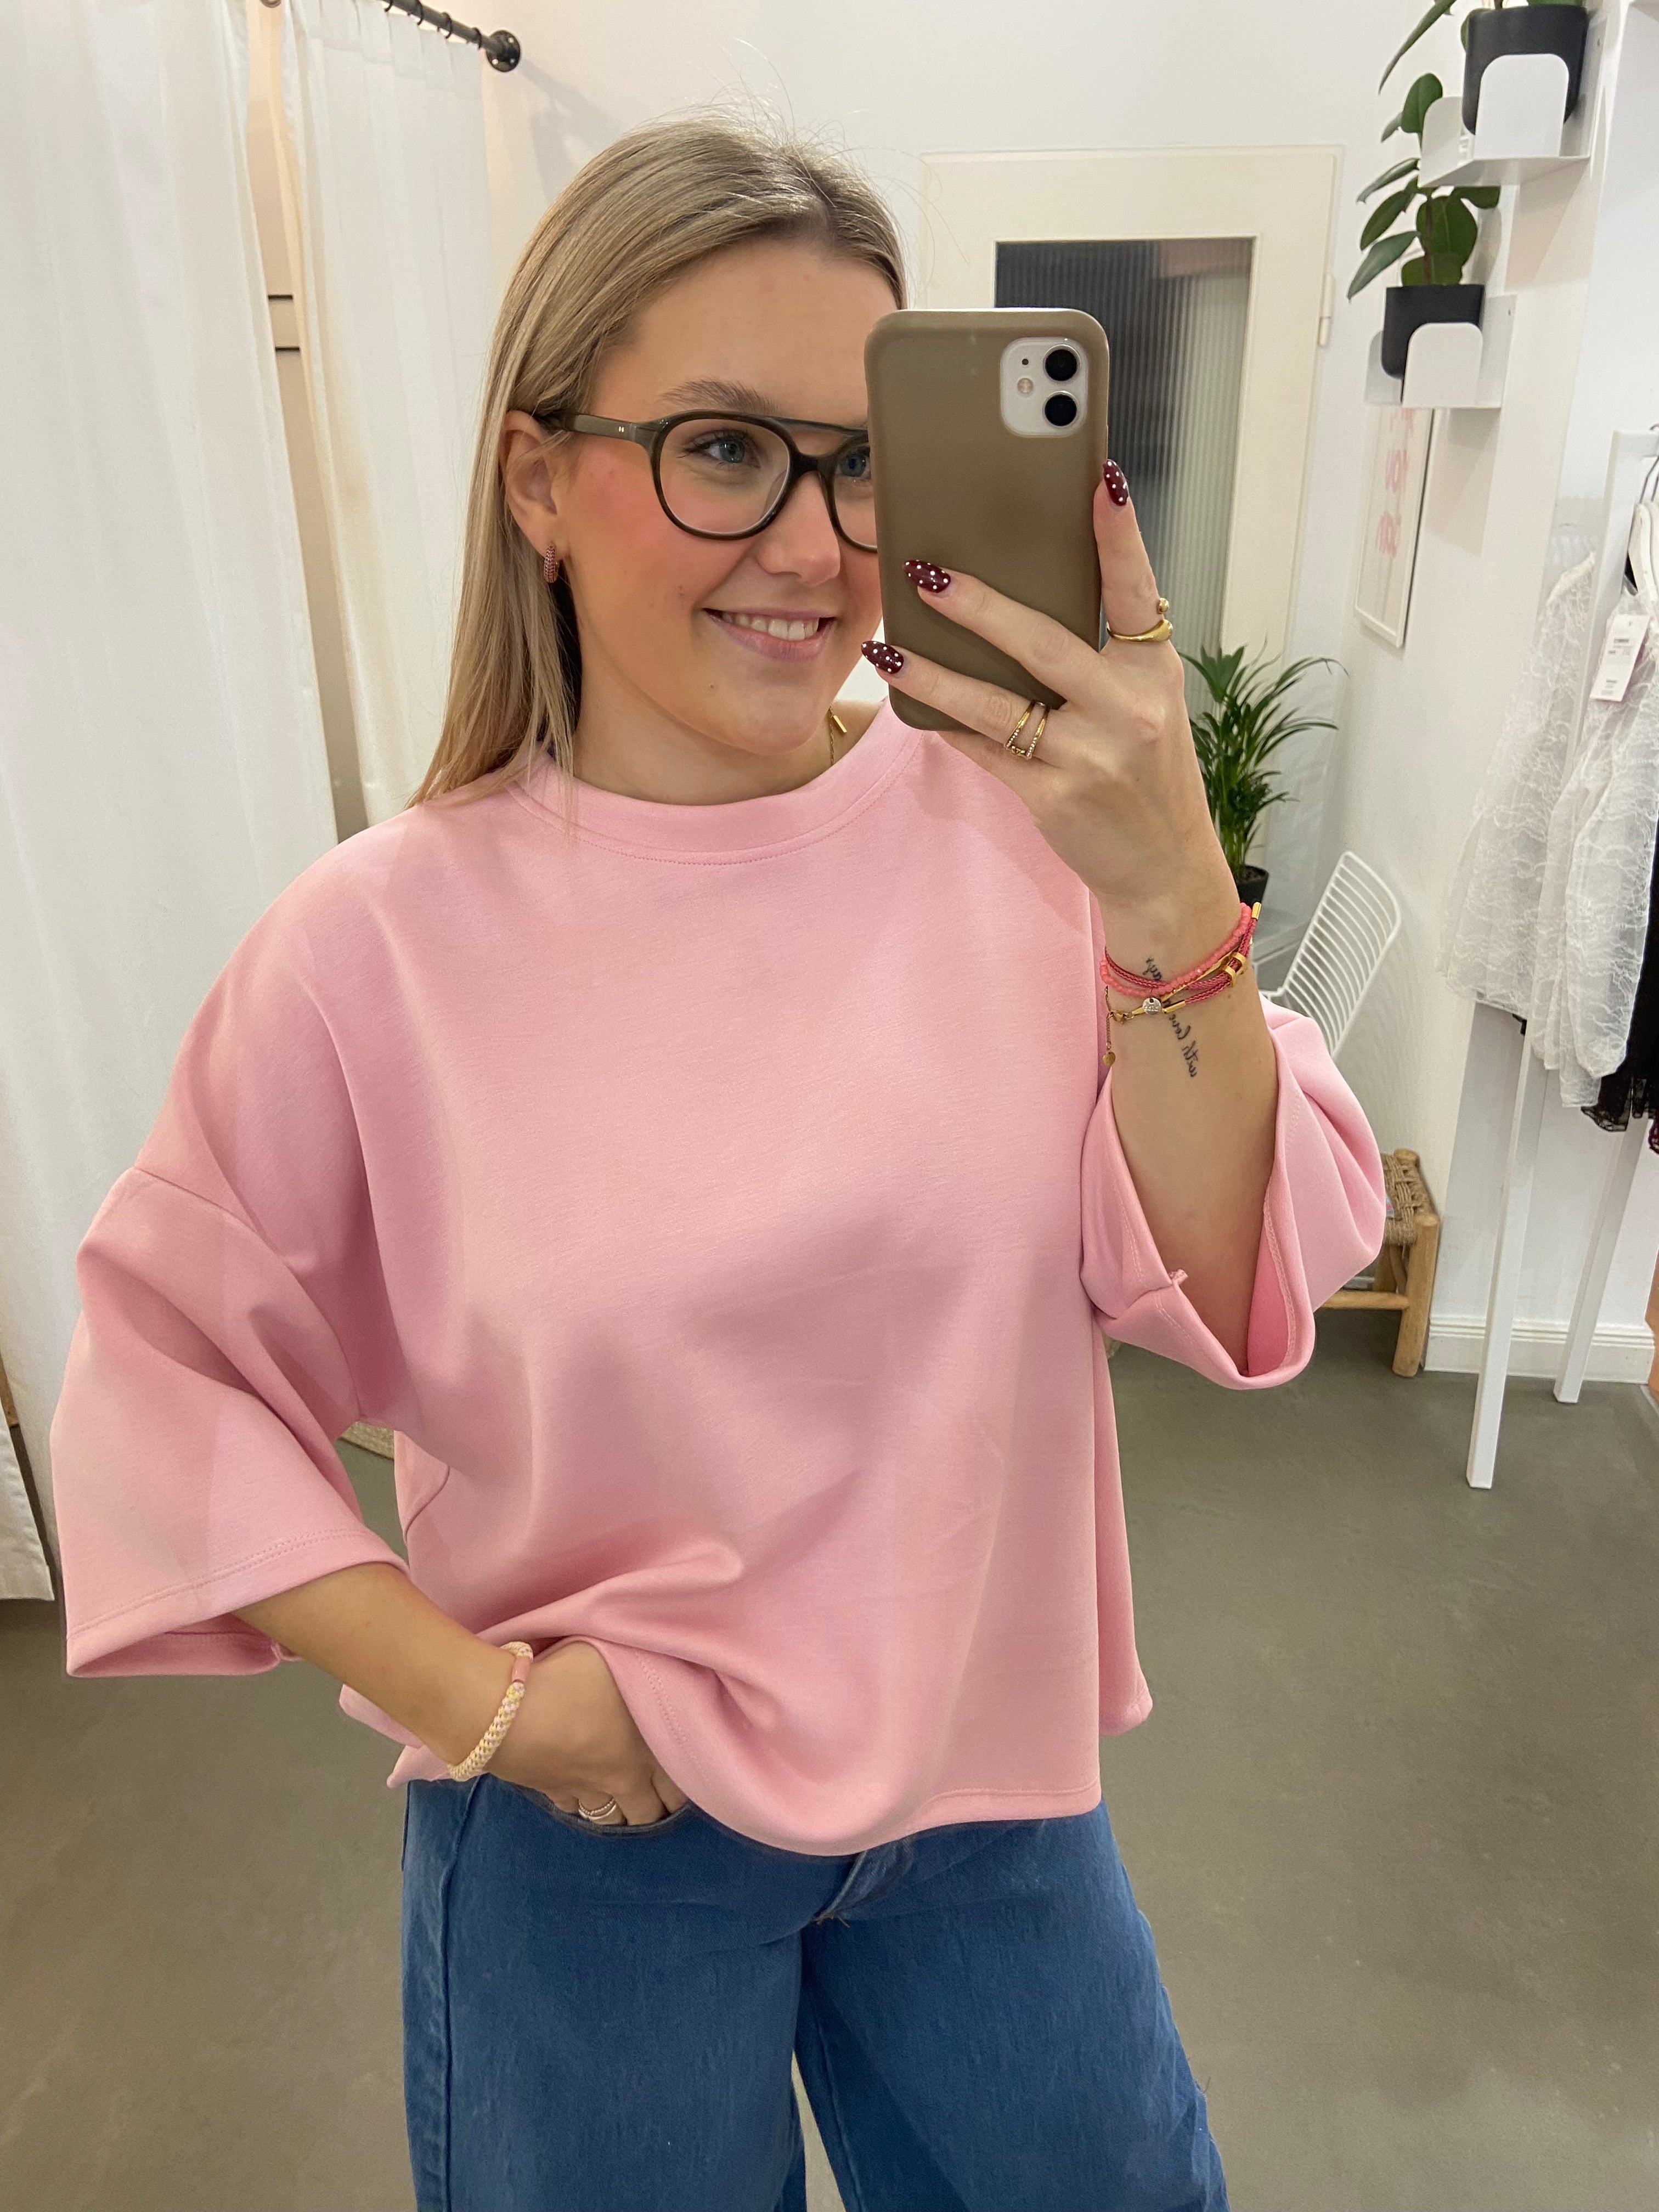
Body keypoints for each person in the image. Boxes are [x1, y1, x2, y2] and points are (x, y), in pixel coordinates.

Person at [49, 115, 1385, 2212]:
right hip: (598, 1835)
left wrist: (1164, 880)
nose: (811, 543)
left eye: (858, 461)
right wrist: (491, 1711)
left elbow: (1237, 1282)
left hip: (989, 1797)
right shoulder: (375, 949)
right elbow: (163, 1376)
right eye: (726, 449)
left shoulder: (1023, 840)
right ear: (536, 480)